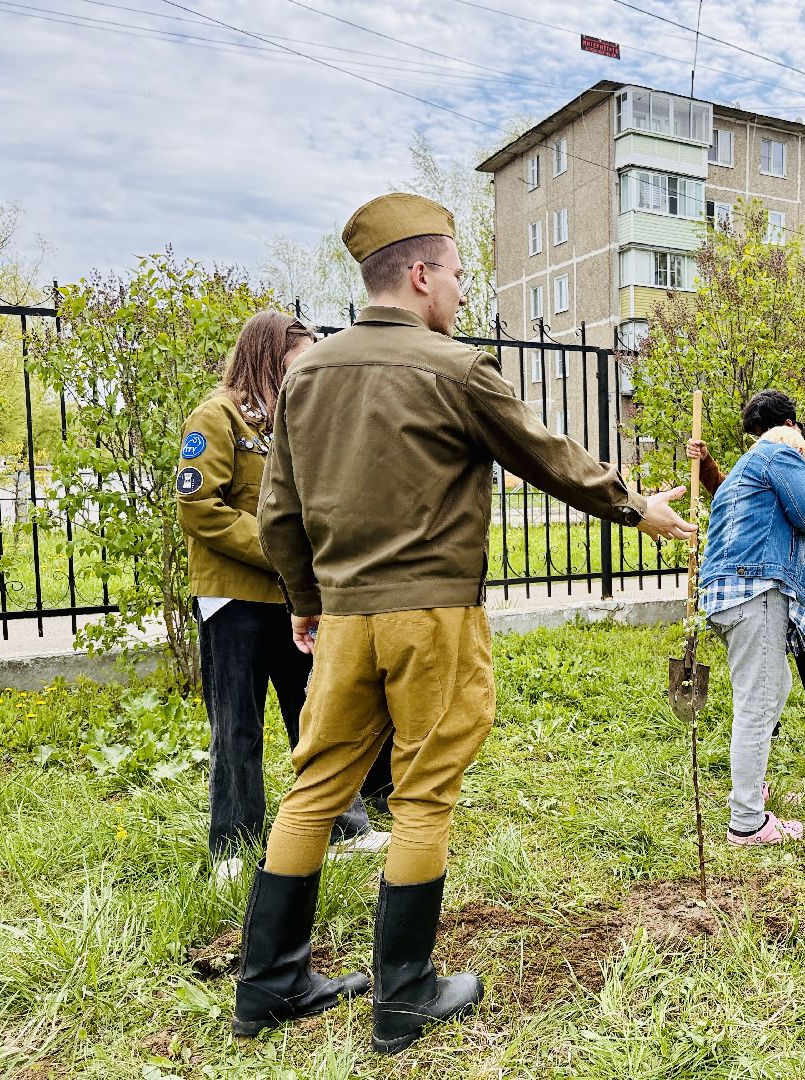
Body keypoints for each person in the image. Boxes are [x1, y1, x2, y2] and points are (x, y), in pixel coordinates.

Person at [230, 192, 695, 1054]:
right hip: (432, 616)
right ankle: (404, 996)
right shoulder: (455, 368)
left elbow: (277, 513)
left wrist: (305, 603)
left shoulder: (307, 374)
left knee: (315, 787)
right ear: (418, 274)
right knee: (424, 793)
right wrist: (639, 509)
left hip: (343, 619)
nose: (459, 291)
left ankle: (269, 989)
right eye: (453, 272)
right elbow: (549, 456)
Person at [175, 311, 389, 886]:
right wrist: (280, 550)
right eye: (300, 360)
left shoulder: (291, 420)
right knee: (236, 725)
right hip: (236, 601)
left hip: (295, 601)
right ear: (269, 357)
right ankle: (233, 847)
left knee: (318, 716)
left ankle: (345, 829)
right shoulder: (216, 417)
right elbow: (200, 507)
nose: (310, 370)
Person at [687, 389, 805, 762]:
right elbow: (736, 499)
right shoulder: (763, 453)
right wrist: (705, 464)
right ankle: (764, 728)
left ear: (786, 424)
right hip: (770, 574)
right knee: (766, 657)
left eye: (761, 432)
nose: (757, 442)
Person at [700, 421, 805, 846]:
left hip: (732, 595)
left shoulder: (747, 472)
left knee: (774, 686)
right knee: (757, 703)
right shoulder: (779, 455)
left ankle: (751, 785)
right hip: (755, 591)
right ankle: (746, 822)